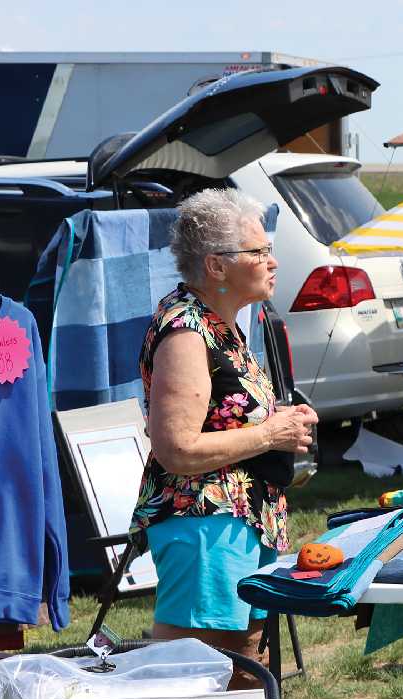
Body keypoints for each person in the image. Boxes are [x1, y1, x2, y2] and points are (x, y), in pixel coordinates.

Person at [129, 189, 317, 670]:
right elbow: (177, 449)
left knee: (245, 675)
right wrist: (270, 435)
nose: (272, 262)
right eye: (259, 252)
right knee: (196, 684)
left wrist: (285, 423)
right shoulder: (187, 332)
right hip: (205, 525)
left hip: (240, 523)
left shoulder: (222, 324)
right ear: (216, 266)